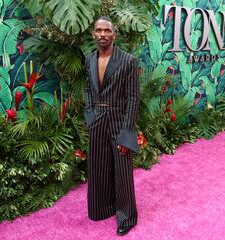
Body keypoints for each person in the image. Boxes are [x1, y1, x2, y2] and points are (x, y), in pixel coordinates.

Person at [84, 16, 140, 236]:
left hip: (119, 120)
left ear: (114, 35)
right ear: (93, 34)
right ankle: (102, 208)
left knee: (122, 169)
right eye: (99, 30)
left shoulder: (127, 60)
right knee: (98, 167)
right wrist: (90, 116)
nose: (103, 34)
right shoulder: (89, 59)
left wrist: (126, 133)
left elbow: (133, 98)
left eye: (107, 30)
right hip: (97, 119)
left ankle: (127, 216)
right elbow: (88, 90)